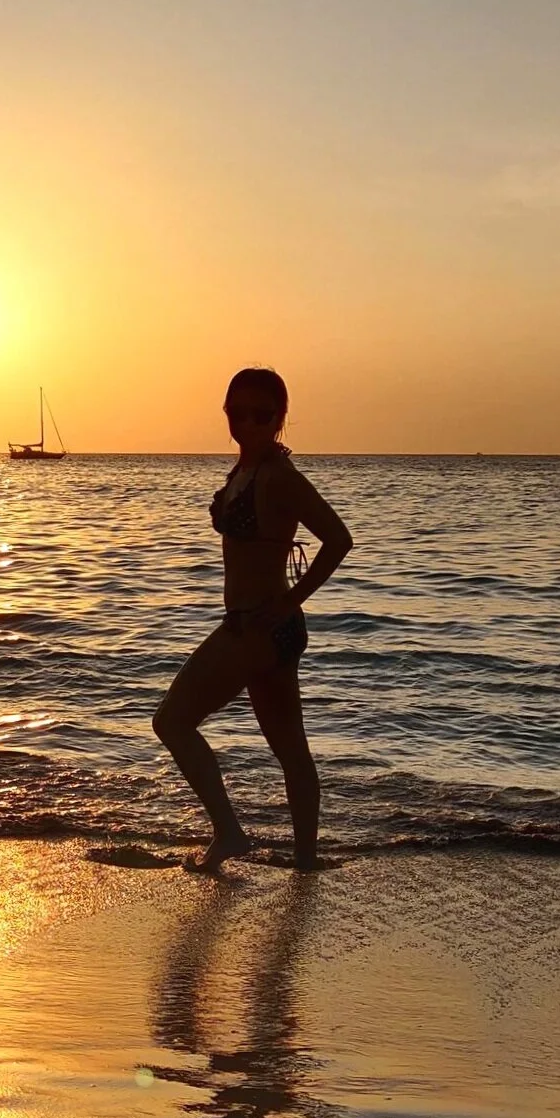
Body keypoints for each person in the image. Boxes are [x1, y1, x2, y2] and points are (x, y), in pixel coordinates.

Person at [152, 367, 353, 871]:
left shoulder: (281, 477)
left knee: (172, 721)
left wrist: (292, 600)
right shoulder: (244, 470)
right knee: (290, 750)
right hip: (266, 631)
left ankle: (229, 833)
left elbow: (338, 538)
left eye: (261, 415)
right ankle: (305, 861)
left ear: (280, 418)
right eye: (236, 413)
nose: (247, 423)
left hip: (258, 628)